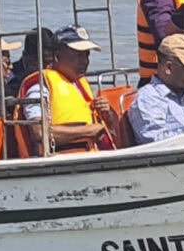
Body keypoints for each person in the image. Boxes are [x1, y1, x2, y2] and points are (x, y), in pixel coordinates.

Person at [19, 26, 114, 155]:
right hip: (60, 160)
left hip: (89, 155)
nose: (85, 62)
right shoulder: (40, 85)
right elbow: (39, 132)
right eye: (78, 56)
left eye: (87, 55)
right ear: (57, 56)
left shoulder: (80, 84)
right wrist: (88, 131)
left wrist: (106, 115)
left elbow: (105, 130)